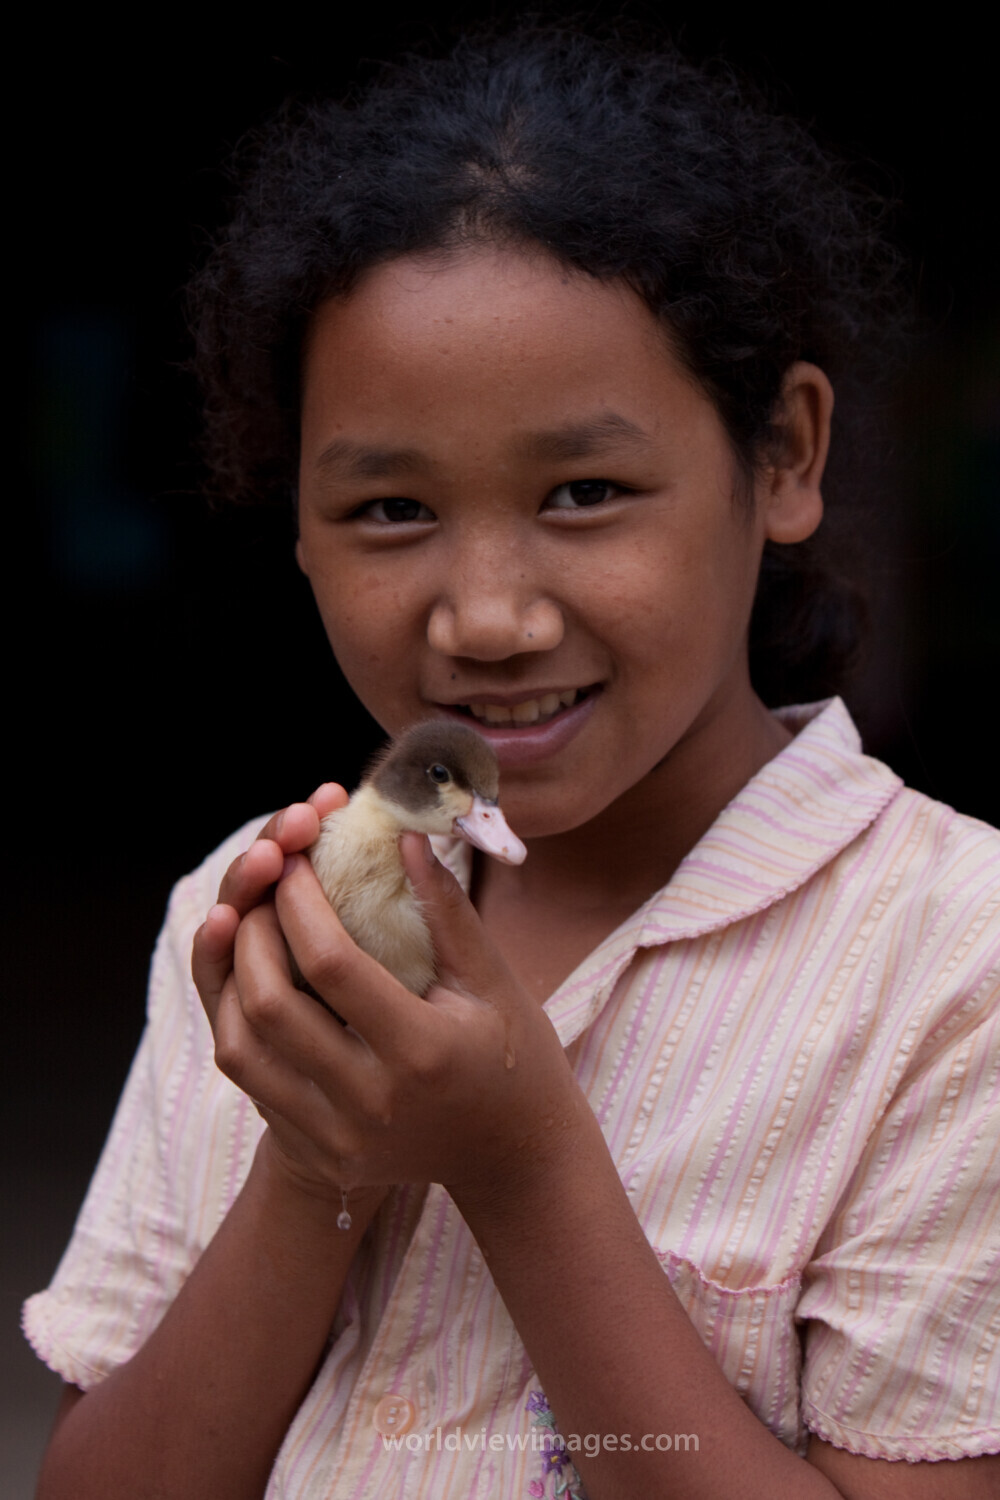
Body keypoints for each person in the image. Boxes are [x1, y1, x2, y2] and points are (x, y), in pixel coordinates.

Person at [25, 23, 999, 1499]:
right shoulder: (261, 935)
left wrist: (523, 1168)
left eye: (586, 490)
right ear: (294, 519)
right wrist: (317, 1159)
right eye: (391, 509)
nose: (487, 618)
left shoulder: (954, 969)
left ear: (787, 456)